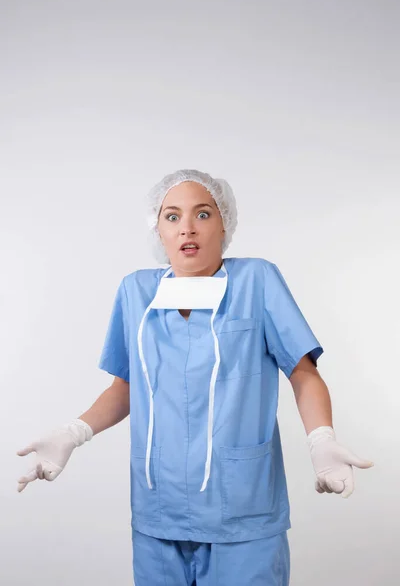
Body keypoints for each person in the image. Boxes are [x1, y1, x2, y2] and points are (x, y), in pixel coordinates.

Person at [17, 169, 374, 585]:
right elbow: (126, 386)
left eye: (202, 214)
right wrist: (72, 433)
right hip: (158, 509)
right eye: (172, 217)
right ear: (157, 229)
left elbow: (301, 370)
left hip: (241, 508)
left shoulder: (257, 281)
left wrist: (321, 439)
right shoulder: (136, 292)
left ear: (224, 223)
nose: (187, 228)